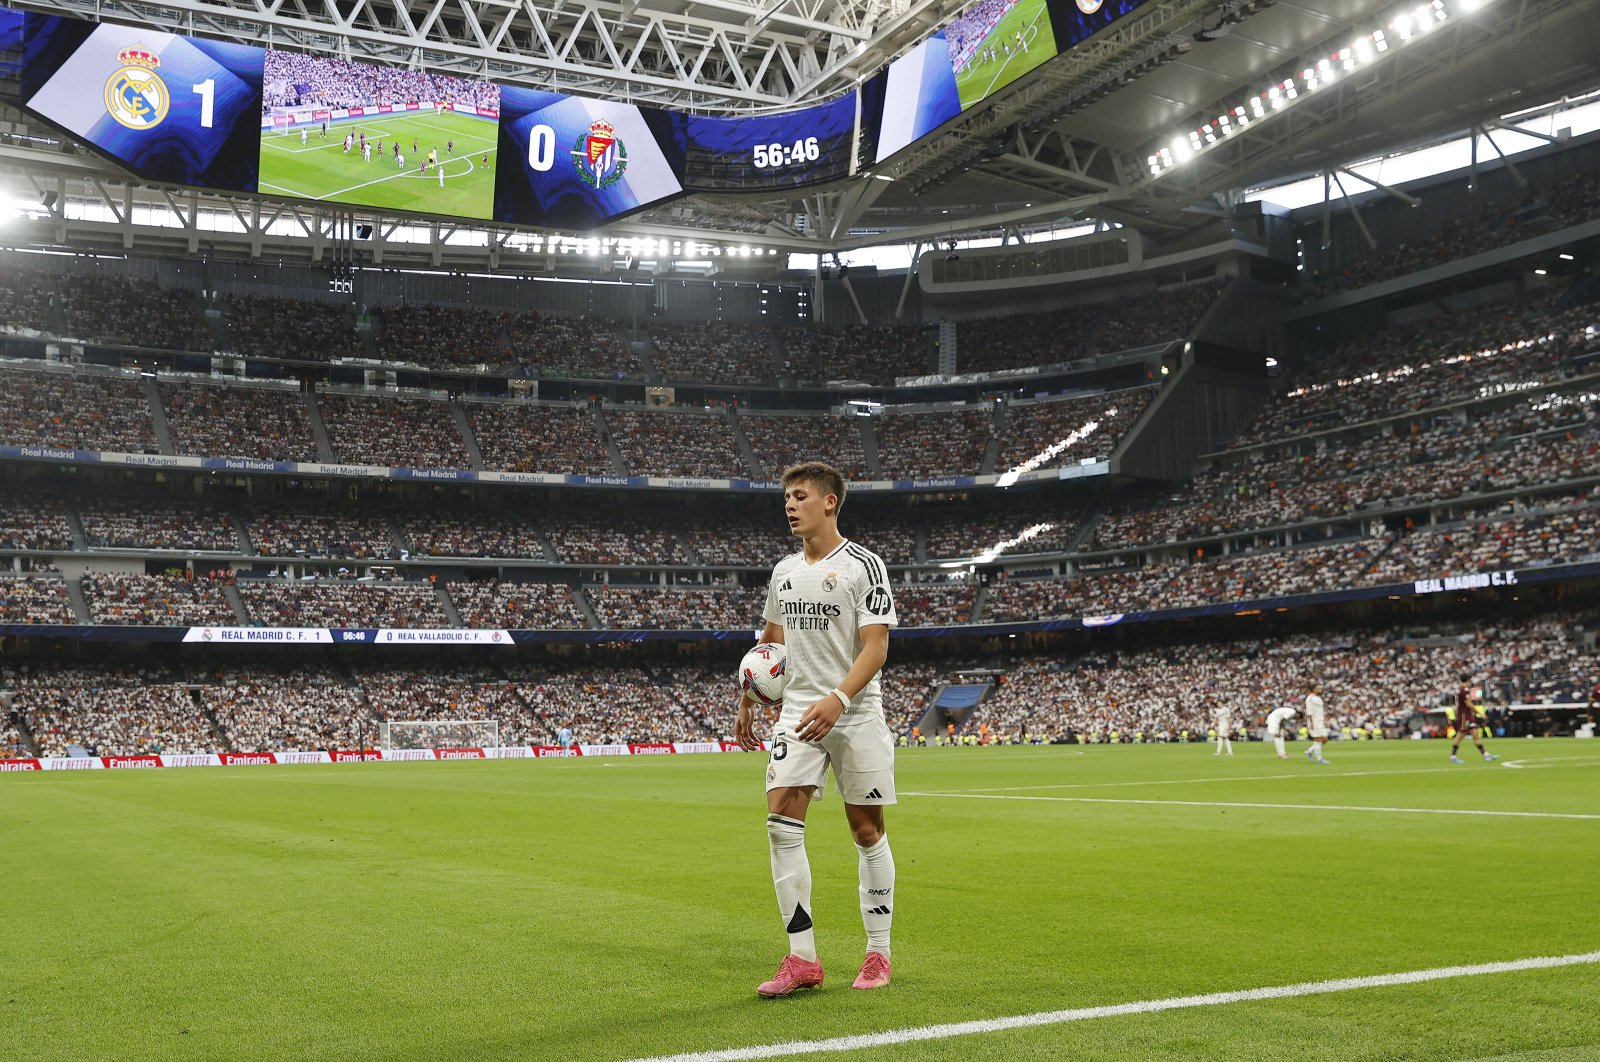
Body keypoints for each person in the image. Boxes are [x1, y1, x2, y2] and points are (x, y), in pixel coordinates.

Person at [735, 461, 898, 998]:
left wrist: (840, 697)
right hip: (797, 712)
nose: (789, 504)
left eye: (799, 495)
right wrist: (748, 696)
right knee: (780, 820)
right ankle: (802, 957)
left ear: (830, 502)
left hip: (855, 712)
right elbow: (771, 642)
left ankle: (878, 952)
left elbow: (876, 647)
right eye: (786, 495)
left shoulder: (864, 567)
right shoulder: (783, 571)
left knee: (866, 831)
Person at [1450, 675, 1499, 764]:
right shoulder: (1464, 690)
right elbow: (1468, 704)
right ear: (1468, 680)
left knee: (1475, 735)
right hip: (1464, 716)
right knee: (1460, 735)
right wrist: (1480, 713)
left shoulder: (1460, 690)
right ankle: (1453, 756)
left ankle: (1486, 755)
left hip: (1467, 715)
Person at [1304, 683, 1330, 764]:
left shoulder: (1318, 698)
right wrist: (1311, 724)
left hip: (1320, 721)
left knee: (1324, 739)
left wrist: (1325, 720)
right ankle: (1319, 759)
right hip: (1314, 722)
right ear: (1313, 689)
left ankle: (1309, 751)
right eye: (1318, 688)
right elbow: (1309, 712)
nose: (1320, 689)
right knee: (1318, 739)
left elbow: (1321, 711)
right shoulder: (1310, 698)